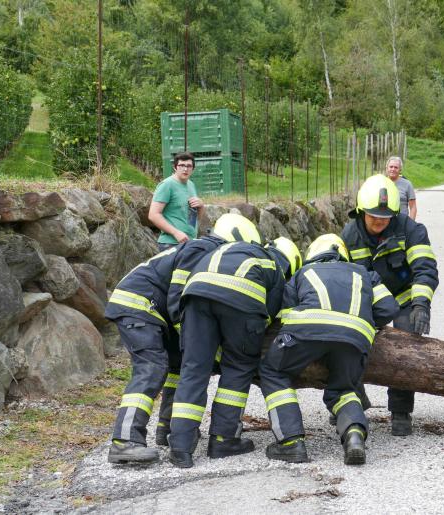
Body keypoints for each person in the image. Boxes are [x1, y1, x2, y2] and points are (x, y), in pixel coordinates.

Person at [104, 213, 249, 464]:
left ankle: (166, 428)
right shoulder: (203, 248)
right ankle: (124, 442)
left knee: (176, 367)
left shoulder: (204, 249)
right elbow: (178, 293)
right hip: (139, 305)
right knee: (151, 368)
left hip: (150, 308)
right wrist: (188, 331)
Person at [168, 227, 302, 468]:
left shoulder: (235, 249)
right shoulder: (275, 267)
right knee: (239, 366)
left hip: (195, 294)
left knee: (194, 367)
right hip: (239, 297)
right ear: (290, 263)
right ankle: (223, 439)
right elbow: (268, 315)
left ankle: (180, 446)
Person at [260, 234, 399, 465]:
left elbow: (283, 312)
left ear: (312, 254)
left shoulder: (302, 273)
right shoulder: (365, 273)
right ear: (343, 254)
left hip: (305, 332)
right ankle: (354, 434)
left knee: (273, 372)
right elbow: (388, 308)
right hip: (355, 336)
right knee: (343, 389)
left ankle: (290, 442)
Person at [341, 174, 439, 436]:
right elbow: (345, 279)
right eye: (373, 216)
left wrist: (421, 304)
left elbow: (425, 270)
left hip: (404, 298)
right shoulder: (349, 236)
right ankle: (349, 403)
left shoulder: (411, 230)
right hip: (368, 301)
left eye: (385, 217)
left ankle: (401, 411)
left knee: (406, 347)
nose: (379, 221)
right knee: (348, 341)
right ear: (361, 211)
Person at [149, 152, 205, 251]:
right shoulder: (167, 185)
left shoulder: (191, 185)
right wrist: (176, 232)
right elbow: (153, 215)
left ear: (193, 169)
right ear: (175, 167)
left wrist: (201, 206)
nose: (185, 169)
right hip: (171, 244)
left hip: (190, 243)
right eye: (181, 165)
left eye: (189, 166)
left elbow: (196, 220)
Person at [385, 156, 417, 220]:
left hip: (402, 222)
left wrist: (411, 224)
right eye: (391, 167)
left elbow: (413, 207)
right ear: (387, 168)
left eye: (396, 167)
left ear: (400, 170)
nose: (393, 169)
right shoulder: (381, 182)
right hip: (384, 222)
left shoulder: (407, 184)